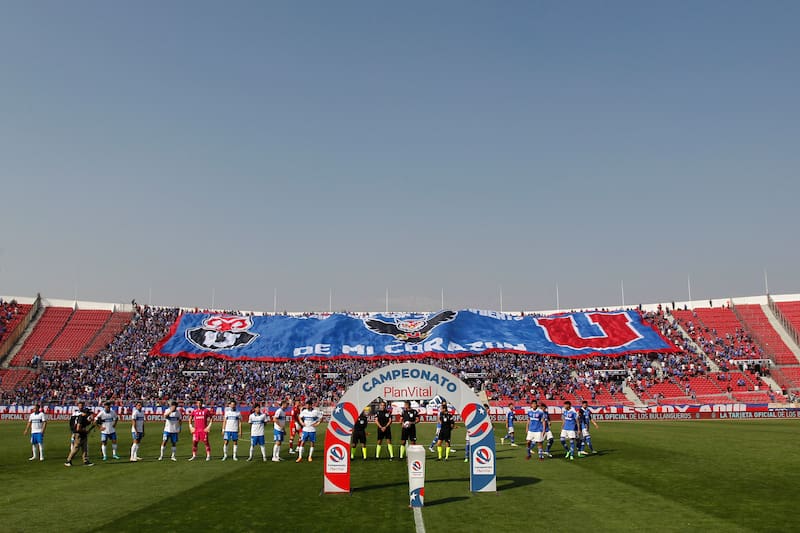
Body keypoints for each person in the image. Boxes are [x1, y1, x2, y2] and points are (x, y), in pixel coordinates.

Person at [65, 401, 94, 466]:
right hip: (79, 434)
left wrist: (92, 425)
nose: (89, 415)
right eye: (88, 413)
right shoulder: (81, 417)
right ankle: (68, 460)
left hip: (81, 433)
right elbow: (78, 428)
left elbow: (87, 423)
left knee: (84, 448)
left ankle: (85, 461)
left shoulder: (82, 417)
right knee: (76, 447)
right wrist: (85, 431)